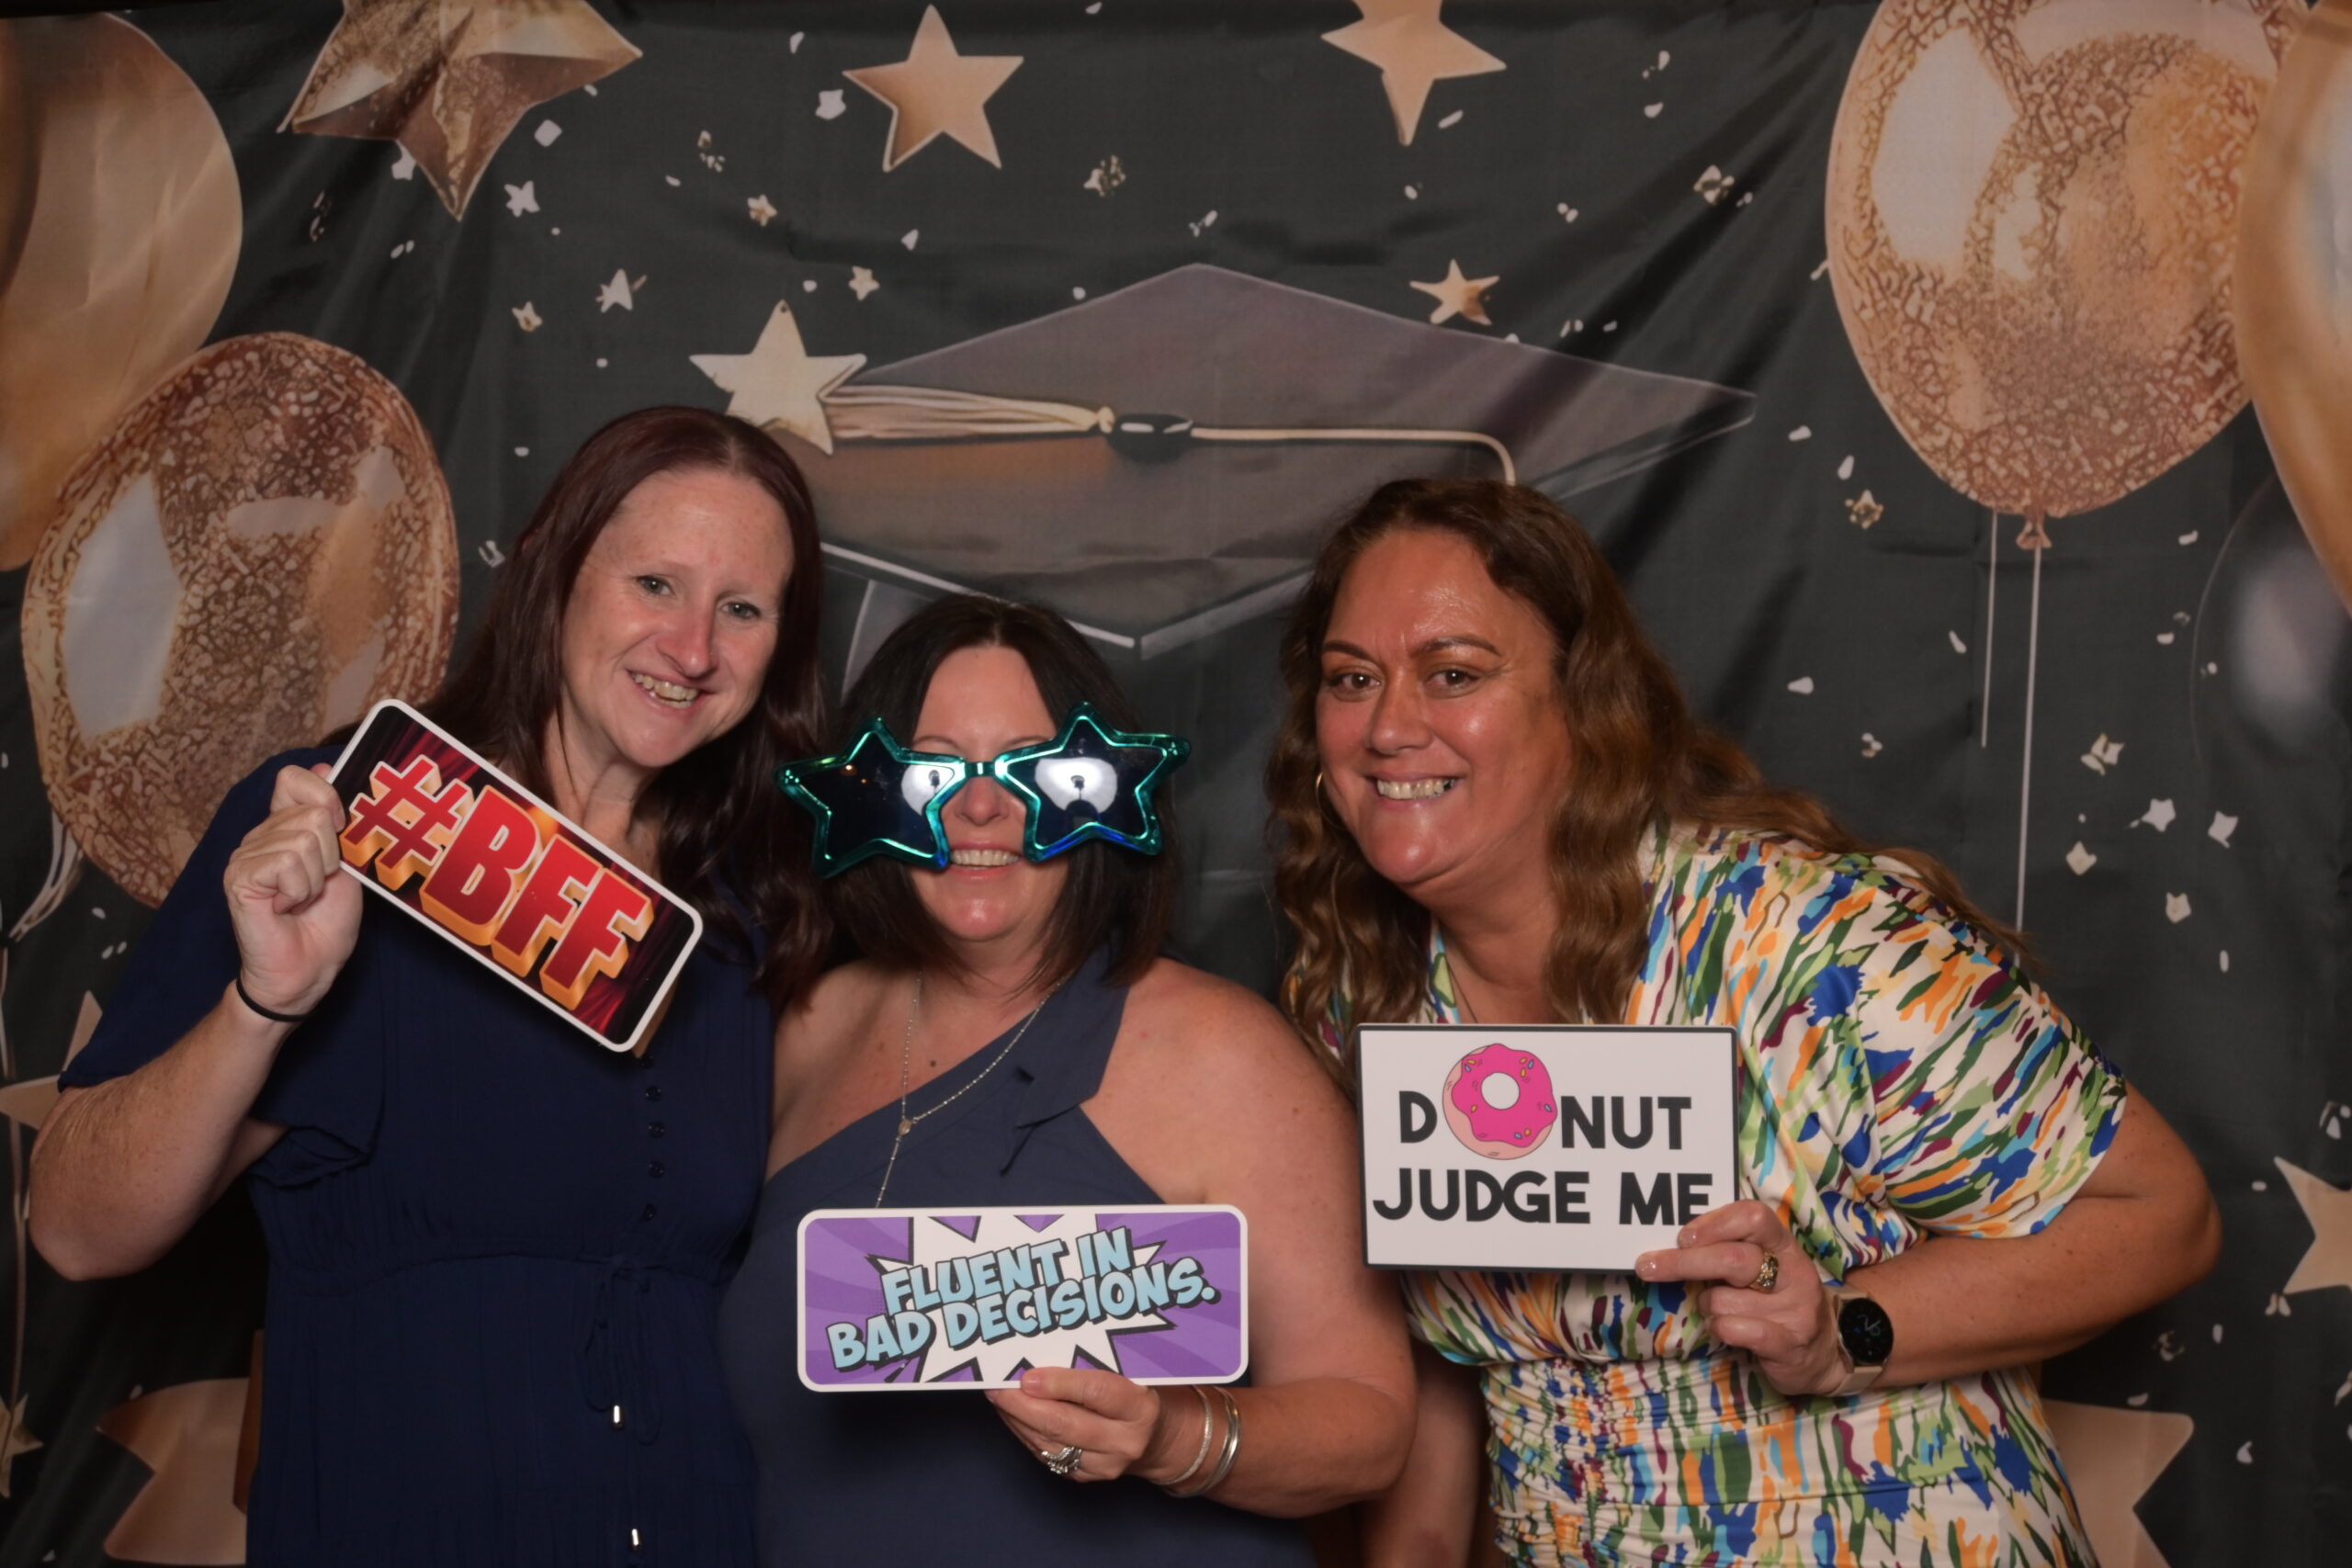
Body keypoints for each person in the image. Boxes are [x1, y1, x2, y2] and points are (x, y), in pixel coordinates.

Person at [1268, 479, 2222, 1567]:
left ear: (1579, 703)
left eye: (1453, 673)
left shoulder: (1807, 945)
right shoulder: (1363, 999)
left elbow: (2161, 1213)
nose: (1389, 727)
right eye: (1351, 680)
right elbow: (1454, 1366)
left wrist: (1843, 1332)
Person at [31, 406, 830, 1568]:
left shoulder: (758, 916)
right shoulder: (344, 822)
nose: (693, 647)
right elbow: (74, 1230)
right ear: (556, 571)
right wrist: (264, 1006)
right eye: (656, 584)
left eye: (743, 609)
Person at [718, 595, 1414, 1566]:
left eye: (1030, 765)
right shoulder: (806, 1029)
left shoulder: (1222, 1052)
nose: (980, 806)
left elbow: (1370, 1423)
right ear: (874, 791)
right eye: (934, 767)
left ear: (1099, 788)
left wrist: (1171, 1439)